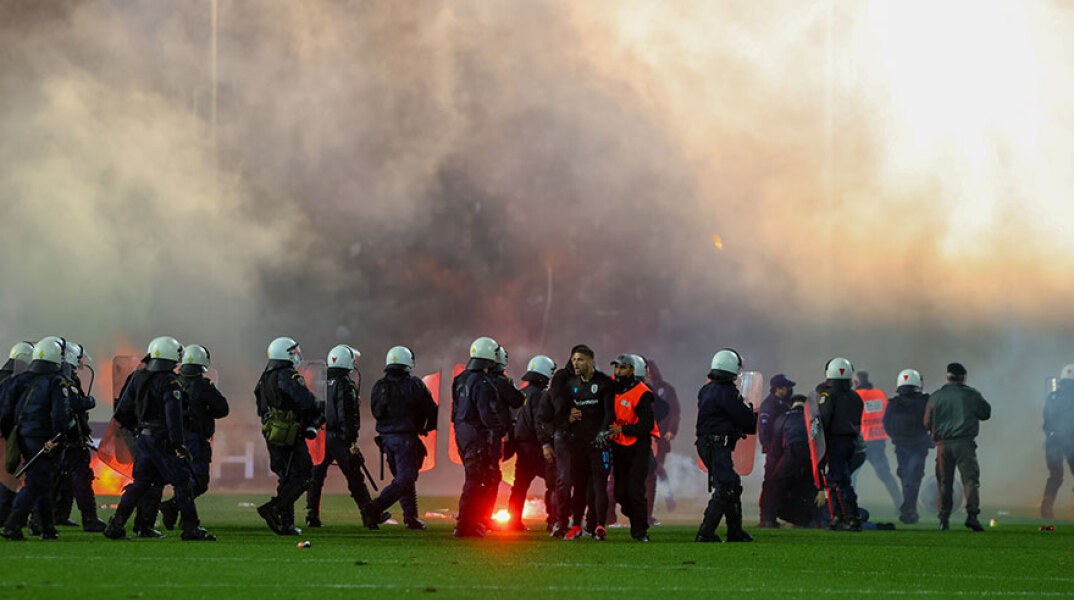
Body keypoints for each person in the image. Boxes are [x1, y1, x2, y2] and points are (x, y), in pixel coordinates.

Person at [103, 336, 215, 541]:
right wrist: (178, 443)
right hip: (162, 440)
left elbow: (121, 412)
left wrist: (138, 429)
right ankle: (190, 528)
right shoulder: (169, 382)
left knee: (141, 482)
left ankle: (116, 525)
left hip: (143, 439)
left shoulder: (137, 377)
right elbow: (174, 416)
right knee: (182, 482)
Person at [0, 338, 72, 540]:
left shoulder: (20, 380)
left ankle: (47, 528)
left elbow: (6, 411)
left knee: (42, 482)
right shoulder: (57, 382)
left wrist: (11, 435)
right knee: (35, 482)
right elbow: (60, 414)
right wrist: (58, 437)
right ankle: (12, 525)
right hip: (43, 439)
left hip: (22, 436)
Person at [304, 345, 380, 529]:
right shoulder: (345, 384)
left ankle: (311, 516)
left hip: (323, 436)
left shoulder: (322, 381)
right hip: (339, 437)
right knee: (354, 476)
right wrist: (351, 439)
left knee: (316, 478)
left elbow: (321, 409)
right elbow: (346, 414)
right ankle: (369, 515)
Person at [158, 344, 229, 531]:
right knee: (199, 481)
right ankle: (174, 506)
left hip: (173, 438)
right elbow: (222, 409)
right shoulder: (203, 385)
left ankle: (183, 515)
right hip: (195, 439)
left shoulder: (171, 381)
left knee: (184, 479)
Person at [254, 337, 321, 536]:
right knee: (303, 474)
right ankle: (274, 508)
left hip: (272, 431)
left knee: (286, 476)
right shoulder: (288, 375)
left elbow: (260, 405)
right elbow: (307, 401)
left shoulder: (264, 377)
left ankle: (286, 524)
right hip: (290, 431)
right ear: (288, 354)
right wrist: (318, 409)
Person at [366, 346, 438, 530]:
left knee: (403, 478)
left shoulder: (379, 386)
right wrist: (425, 427)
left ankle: (410, 518)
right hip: (405, 438)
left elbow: (375, 411)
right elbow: (431, 410)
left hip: (385, 439)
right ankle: (375, 508)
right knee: (407, 477)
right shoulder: (414, 384)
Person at [550, 344, 614, 541]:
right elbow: (563, 410)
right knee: (578, 485)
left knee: (598, 485)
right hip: (578, 444)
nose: (575, 363)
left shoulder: (604, 383)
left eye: (580, 359)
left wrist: (603, 433)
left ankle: (599, 525)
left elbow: (609, 413)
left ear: (590, 361)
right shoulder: (571, 384)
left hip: (599, 443)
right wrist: (567, 417)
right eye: (574, 359)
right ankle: (576, 525)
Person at [695, 348, 757, 542]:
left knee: (732, 484)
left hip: (707, 444)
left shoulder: (706, 390)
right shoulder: (728, 392)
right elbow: (747, 421)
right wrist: (750, 410)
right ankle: (705, 533)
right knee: (725, 488)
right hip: (718, 445)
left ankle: (735, 531)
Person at [924, 362, 990, 531]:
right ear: (963, 378)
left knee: (945, 482)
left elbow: (926, 423)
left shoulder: (936, 396)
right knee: (970, 481)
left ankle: (943, 519)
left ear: (948, 377)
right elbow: (985, 413)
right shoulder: (971, 395)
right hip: (964, 444)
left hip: (943, 446)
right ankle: (972, 516)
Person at [51, 342, 108, 532]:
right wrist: (90, 401)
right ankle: (90, 519)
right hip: (71, 438)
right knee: (81, 478)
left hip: (60, 439)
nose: (82, 362)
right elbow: (75, 404)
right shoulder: (66, 381)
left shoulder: (55, 378)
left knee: (61, 478)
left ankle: (58, 515)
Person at [452, 336, 504, 538]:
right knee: (476, 479)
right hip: (477, 435)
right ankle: (467, 524)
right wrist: (500, 430)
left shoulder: (460, 379)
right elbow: (487, 414)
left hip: (461, 434)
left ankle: (470, 522)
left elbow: (455, 411)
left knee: (472, 477)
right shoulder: (483, 382)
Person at [505, 355, 556, 532]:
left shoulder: (521, 394)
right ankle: (553, 520)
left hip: (520, 447)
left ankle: (514, 522)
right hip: (537, 446)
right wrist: (547, 443)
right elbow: (540, 422)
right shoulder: (543, 396)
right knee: (554, 483)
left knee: (519, 486)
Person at [609, 354, 657, 542]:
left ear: (631, 370)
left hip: (638, 448)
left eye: (622, 368)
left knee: (636, 491)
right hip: (618, 446)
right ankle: (639, 519)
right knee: (620, 492)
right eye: (616, 367)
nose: (618, 371)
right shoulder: (611, 388)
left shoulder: (642, 393)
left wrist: (623, 428)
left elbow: (647, 425)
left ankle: (639, 533)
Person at [817, 357, 864, 531]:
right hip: (851, 441)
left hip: (834, 441)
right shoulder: (855, 397)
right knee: (836, 479)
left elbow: (823, 420)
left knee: (840, 481)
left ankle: (851, 517)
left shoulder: (828, 396)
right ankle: (838, 517)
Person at [883, 368, 932, 524]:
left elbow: (886, 424)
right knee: (914, 477)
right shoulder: (925, 401)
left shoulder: (893, 403)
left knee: (905, 476)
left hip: (900, 446)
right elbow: (931, 422)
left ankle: (909, 510)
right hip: (918, 446)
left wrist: (896, 439)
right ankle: (908, 508)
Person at [762, 394, 818, 527]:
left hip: (792, 453)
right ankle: (816, 519)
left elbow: (776, 445)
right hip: (811, 455)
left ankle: (769, 519)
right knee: (810, 487)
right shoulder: (812, 418)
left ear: (791, 404)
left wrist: (777, 464)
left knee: (775, 485)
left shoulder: (783, 417)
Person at [853, 371, 901, 511]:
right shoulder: (880, 394)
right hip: (878, 442)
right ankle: (900, 504)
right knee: (886, 475)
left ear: (855, 383)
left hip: (860, 443)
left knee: (851, 476)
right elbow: (887, 415)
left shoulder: (854, 396)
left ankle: (848, 506)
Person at [0, 341, 34, 526]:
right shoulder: (13, 382)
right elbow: (7, 411)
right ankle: (5, 517)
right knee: (9, 477)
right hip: (5, 435)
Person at [757, 373, 795, 527]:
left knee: (776, 483)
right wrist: (771, 449)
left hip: (780, 450)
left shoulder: (779, 403)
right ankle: (767, 518)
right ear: (778, 389)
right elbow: (764, 430)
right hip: (775, 451)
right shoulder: (770, 405)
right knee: (771, 483)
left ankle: (770, 517)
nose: (789, 391)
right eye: (787, 387)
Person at [644, 358, 679, 524]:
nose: (648, 373)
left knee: (656, 470)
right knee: (649, 472)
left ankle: (665, 498)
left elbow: (674, 411)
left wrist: (672, 430)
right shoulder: (635, 388)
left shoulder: (666, 389)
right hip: (641, 437)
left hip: (660, 438)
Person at [1042, 364, 1074, 519]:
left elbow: (1046, 423)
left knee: (1055, 476)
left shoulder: (1052, 397)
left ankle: (1046, 511)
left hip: (1053, 442)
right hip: (1071, 442)